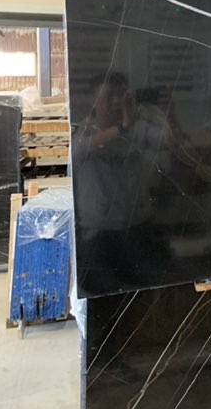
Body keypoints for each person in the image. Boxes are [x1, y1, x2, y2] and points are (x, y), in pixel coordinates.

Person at [72, 71, 171, 294]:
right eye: (109, 96)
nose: (117, 102)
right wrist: (122, 128)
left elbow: (171, 143)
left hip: (137, 226)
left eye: (121, 96)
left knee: (149, 290)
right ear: (94, 100)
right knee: (105, 295)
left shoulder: (139, 127)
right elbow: (78, 151)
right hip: (98, 232)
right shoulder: (85, 130)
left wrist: (170, 115)